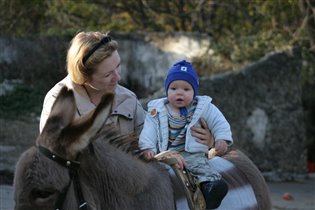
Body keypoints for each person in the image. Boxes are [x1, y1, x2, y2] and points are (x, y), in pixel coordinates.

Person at [39, 31, 213, 144]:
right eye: (108, 75)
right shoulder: (58, 102)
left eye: (118, 66)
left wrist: (203, 140)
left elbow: (155, 140)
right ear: (83, 77)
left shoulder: (127, 99)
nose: (118, 77)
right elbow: (53, 157)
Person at [139, 60, 233, 209]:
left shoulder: (203, 107)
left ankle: (210, 189)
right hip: (167, 154)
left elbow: (219, 121)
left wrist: (221, 138)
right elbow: (149, 131)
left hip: (192, 153)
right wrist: (147, 148)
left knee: (201, 168)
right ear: (167, 89)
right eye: (174, 88)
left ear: (194, 91)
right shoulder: (157, 110)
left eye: (186, 89)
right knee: (158, 174)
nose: (179, 93)